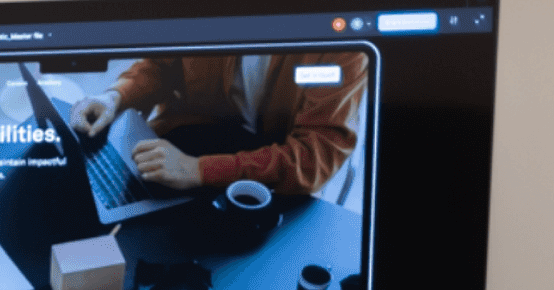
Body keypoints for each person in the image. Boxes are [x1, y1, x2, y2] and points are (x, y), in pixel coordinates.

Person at [68, 51, 370, 196]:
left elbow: (313, 156)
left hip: (270, 180)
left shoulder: (343, 48)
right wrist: (115, 98)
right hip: (182, 142)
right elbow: (162, 65)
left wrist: (199, 170)